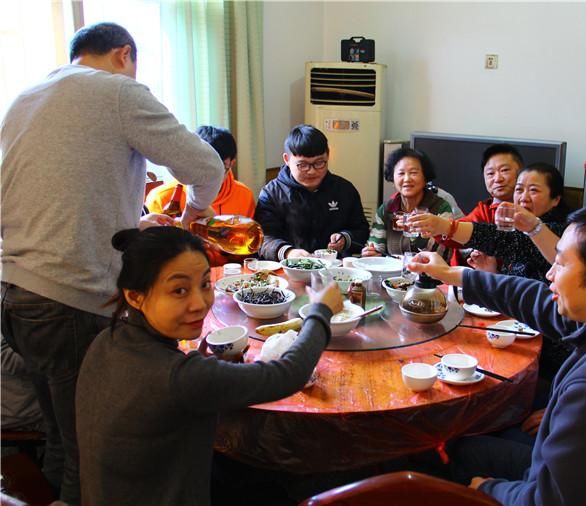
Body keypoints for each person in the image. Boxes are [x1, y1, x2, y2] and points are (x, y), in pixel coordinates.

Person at [0, 22, 224, 504]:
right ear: (125, 55)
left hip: (17, 294)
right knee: (90, 447)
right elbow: (206, 168)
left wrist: (135, 224)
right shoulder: (117, 91)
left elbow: (58, 196)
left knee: (59, 435)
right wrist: (188, 219)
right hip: (72, 298)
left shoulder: (26, 99)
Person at [407, 201, 586, 505]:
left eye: (562, 264)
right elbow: (537, 301)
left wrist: (487, 490)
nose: (550, 274)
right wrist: (453, 275)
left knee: (430, 459)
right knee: (460, 449)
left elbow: (549, 501)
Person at [76, 226, 342, 505]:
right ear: (135, 296)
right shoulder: (180, 377)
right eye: (179, 290)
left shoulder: (106, 339)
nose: (199, 303)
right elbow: (288, 375)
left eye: (204, 284)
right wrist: (320, 312)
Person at [414, 163, 568, 281]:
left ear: (556, 199)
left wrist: (445, 226)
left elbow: (502, 239)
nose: (523, 197)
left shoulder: (560, 233)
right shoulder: (516, 225)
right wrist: (491, 272)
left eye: (533, 190)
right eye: (519, 190)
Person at [144, 125, 256, 266]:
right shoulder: (162, 197)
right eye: (203, 168)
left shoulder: (243, 195)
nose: (210, 176)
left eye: (220, 168)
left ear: (231, 164)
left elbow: (247, 253)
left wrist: (221, 242)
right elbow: (153, 258)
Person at [255, 124, 369, 260]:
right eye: (302, 165)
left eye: (320, 163)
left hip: (333, 270)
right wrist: (288, 252)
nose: (312, 171)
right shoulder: (271, 194)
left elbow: (362, 230)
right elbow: (263, 239)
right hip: (287, 270)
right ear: (287, 159)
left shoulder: (344, 190)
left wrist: (345, 238)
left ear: (328, 155)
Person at [362, 147, 453, 259]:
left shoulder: (441, 208)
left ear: (425, 177)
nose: (407, 179)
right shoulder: (386, 209)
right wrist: (372, 253)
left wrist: (415, 231)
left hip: (429, 274)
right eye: (401, 173)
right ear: (392, 178)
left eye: (413, 173)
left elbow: (442, 255)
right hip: (392, 274)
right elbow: (376, 247)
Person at [450, 143, 524, 267]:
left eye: (505, 170)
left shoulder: (531, 208)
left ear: (521, 173)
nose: (498, 179)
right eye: (490, 174)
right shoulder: (483, 211)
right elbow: (458, 233)